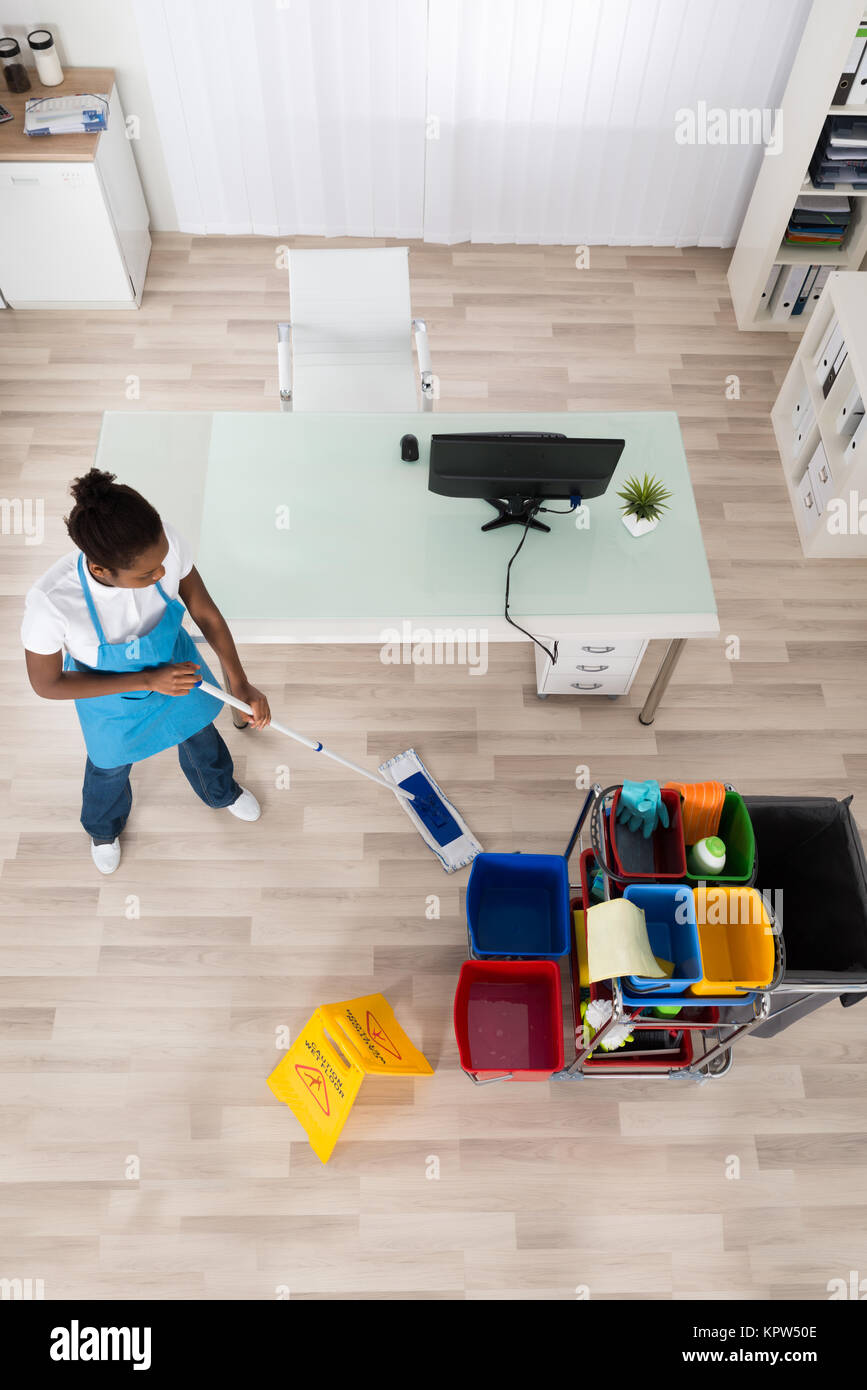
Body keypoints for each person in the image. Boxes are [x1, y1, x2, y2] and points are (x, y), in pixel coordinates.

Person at [22, 468, 270, 875]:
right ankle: (103, 830)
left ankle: (220, 792)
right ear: (101, 570)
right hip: (109, 698)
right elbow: (46, 683)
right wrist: (148, 680)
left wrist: (239, 682)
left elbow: (205, 612)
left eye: (162, 564)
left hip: (178, 669)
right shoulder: (52, 603)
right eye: (147, 575)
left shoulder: (162, 544)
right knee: (109, 767)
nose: (162, 574)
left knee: (200, 734)